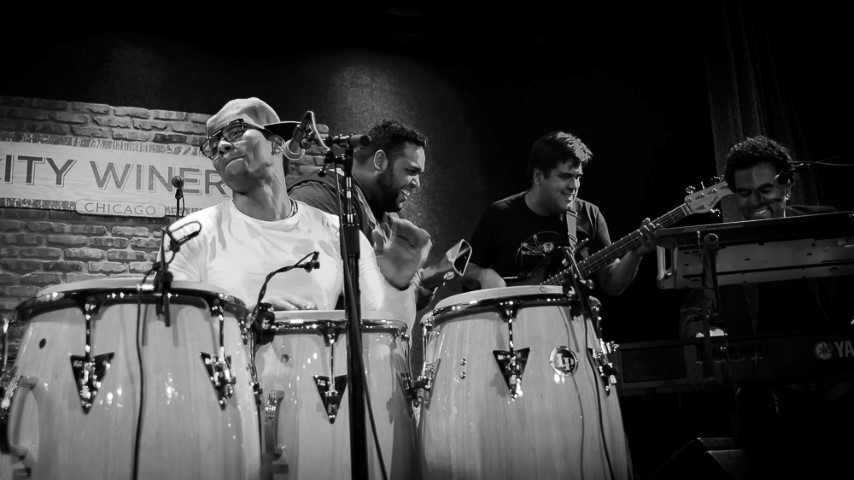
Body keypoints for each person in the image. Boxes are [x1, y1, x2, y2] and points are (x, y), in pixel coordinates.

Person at [164, 97, 429, 326]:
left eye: (236, 131)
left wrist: (397, 285)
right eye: (212, 145)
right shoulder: (188, 236)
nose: (221, 146)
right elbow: (171, 331)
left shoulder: (338, 233)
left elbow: (386, 331)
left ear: (276, 142)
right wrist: (244, 321)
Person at [677, 135, 854, 477]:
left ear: (788, 186)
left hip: (835, 372)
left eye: (766, 189)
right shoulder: (721, 247)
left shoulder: (824, 223)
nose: (755, 201)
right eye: (744, 193)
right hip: (768, 383)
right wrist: (706, 333)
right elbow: (693, 314)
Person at [462, 130, 657, 295]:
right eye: (565, 176)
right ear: (538, 176)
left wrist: (635, 254)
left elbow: (612, 284)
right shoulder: (500, 214)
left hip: (572, 323)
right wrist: (484, 274)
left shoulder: (590, 214)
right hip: (515, 322)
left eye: (578, 177)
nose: (574, 185)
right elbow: (464, 270)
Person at [288, 119, 437, 314]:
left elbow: (387, 308)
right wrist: (387, 279)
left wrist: (411, 292)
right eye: (410, 171)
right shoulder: (318, 198)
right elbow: (308, 290)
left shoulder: (388, 216)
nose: (417, 183)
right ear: (380, 161)